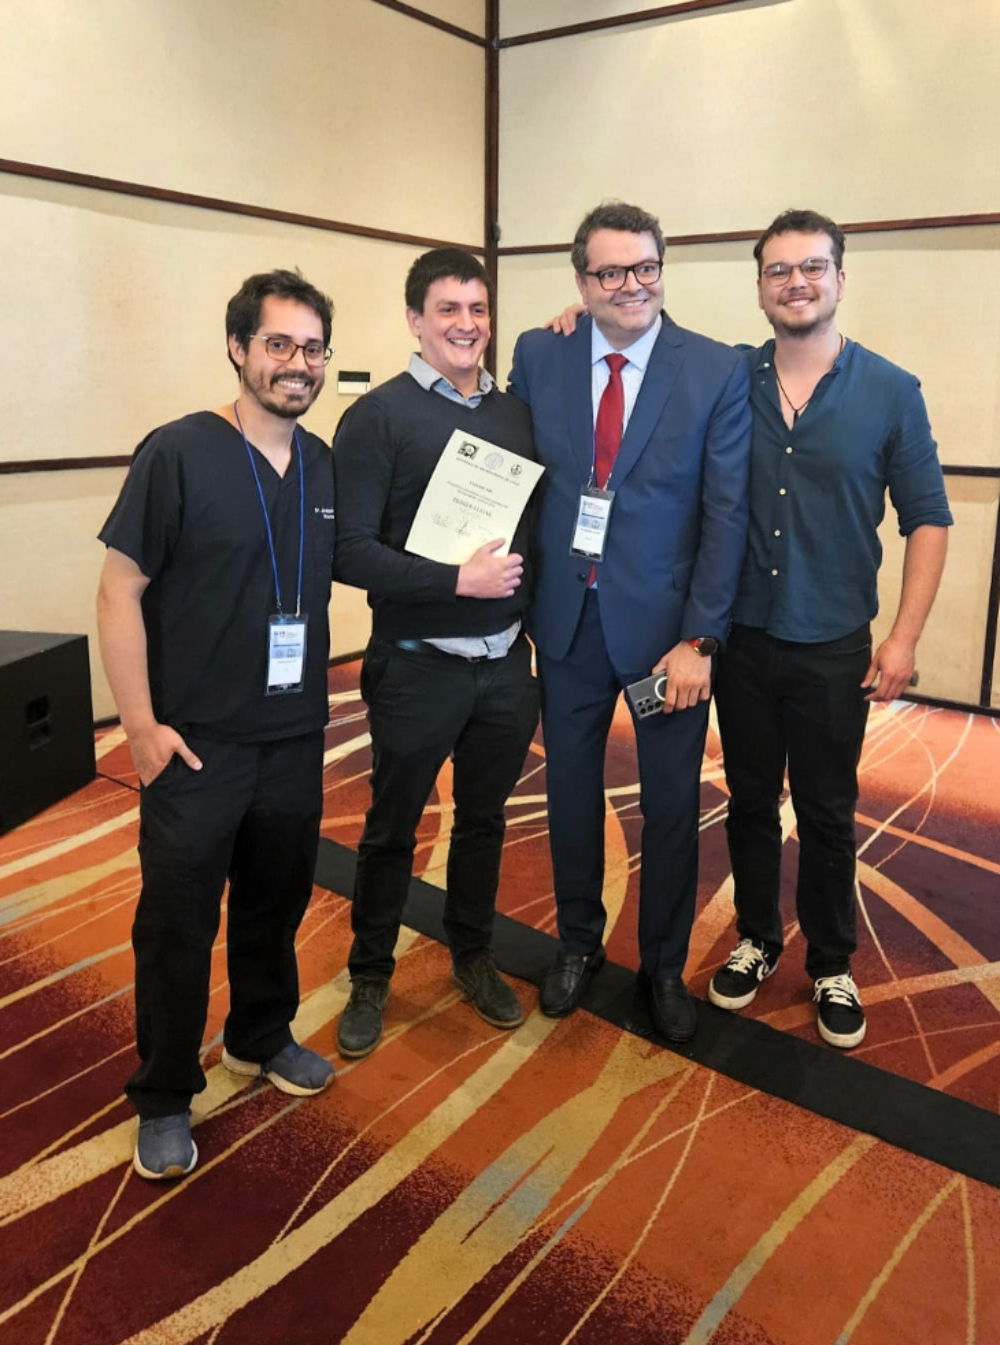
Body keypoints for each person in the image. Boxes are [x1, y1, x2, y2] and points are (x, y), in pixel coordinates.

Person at [97, 269, 337, 1180]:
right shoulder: (179, 451)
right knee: (177, 924)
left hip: (294, 734)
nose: (297, 363)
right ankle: (164, 1091)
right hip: (194, 742)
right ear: (238, 348)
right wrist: (141, 727)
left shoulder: (323, 462)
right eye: (278, 344)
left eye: (312, 348)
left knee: (276, 902)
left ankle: (260, 1035)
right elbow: (119, 591)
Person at [707, 208, 951, 1047]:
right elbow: (646, 345)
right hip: (741, 637)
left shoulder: (891, 390)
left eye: (813, 266)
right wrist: (576, 316)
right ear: (760, 288)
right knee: (747, 800)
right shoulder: (729, 378)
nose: (797, 282)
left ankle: (831, 959)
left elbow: (928, 518)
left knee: (826, 810)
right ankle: (756, 936)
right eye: (779, 269)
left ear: (840, 278)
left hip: (833, 644)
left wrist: (905, 637)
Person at [509, 201, 752, 1043]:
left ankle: (663, 966)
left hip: (665, 639)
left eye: (645, 267)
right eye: (610, 272)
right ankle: (578, 943)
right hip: (567, 622)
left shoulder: (714, 369)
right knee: (570, 794)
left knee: (672, 806)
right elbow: (513, 472)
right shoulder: (540, 352)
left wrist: (702, 638)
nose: (631, 285)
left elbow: (726, 513)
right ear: (582, 281)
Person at [331, 247, 539, 1059]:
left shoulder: (515, 415)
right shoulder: (377, 417)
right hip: (417, 662)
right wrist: (457, 580)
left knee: (484, 821)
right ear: (415, 320)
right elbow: (348, 551)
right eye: (448, 309)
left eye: (478, 308)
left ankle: (473, 954)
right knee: (392, 826)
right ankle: (370, 973)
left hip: (504, 665)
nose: (466, 323)